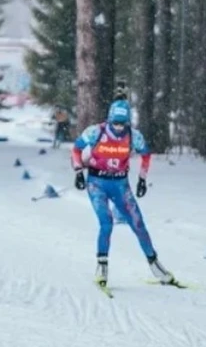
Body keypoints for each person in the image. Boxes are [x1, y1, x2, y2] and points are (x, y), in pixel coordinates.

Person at [71, 99, 175, 290]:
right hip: (97, 184)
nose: (119, 128)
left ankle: (155, 265)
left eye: (122, 123)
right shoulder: (96, 131)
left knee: (138, 223)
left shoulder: (133, 136)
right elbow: (77, 149)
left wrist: (142, 178)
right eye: (115, 123)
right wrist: (78, 171)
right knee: (106, 222)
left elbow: (146, 154)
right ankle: (102, 267)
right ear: (109, 120)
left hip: (120, 184)